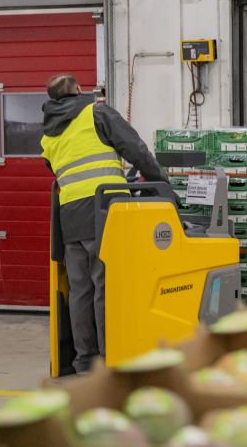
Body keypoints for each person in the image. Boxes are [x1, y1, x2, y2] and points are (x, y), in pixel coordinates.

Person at [40, 73, 169, 372]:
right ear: (79, 90)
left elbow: (56, 168)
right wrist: (163, 185)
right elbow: (135, 148)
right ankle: (112, 358)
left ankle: (85, 360)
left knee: (80, 290)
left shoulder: (48, 134)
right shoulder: (96, 112)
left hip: (69, 217)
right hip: (104, 210)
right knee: (106, 286)